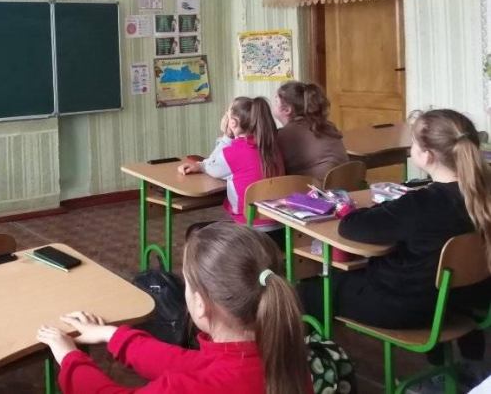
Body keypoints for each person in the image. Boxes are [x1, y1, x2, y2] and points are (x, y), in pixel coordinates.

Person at [298, 109, 491, 386]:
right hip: (464, 301)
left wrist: (354, 210)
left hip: (408, 307)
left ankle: (322, 372)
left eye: (414, 142)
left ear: (427, 156)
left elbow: (351, 227)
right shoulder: (482, 195)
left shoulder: (421, 205)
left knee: (310, 291)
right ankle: (466, 366)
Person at [36, 222, 312, 393]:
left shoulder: (191, 388)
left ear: (200, 305)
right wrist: (112, 335)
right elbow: (184, 362)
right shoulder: (281, 355)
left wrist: (69, 357)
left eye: (187, 283)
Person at [177, 97, 285, 239]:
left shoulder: (234, 152)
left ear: (232, 122)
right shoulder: (272, 147)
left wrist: (226, 136)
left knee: (194, 231)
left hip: (251, 232)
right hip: (281, 228)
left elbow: (211, 165)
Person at [273, 81, 348, 180]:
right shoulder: (327, 125)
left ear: (287, 110)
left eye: (276, 101)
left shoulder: (286, 135)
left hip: (319, 188)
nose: (273, 104)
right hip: (346, 184)